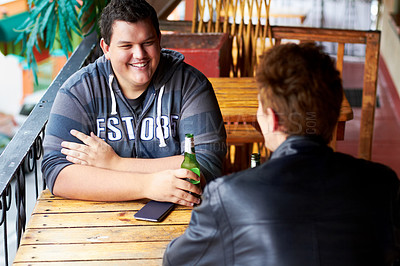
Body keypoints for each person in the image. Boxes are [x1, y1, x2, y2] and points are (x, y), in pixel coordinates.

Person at [163, 43, 400, 265]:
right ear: (331, 114)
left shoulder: (228, 195)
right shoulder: (384, 183)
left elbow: (175, 261)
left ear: (272, 119)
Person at [41, 0, 226, 206]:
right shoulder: (79, 91)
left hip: (180, 218)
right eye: (126, 46)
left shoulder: (190, 85)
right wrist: (147, 185)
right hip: (97, 222)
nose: (139, 55)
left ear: (159, 40)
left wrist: (114, 164)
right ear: (106, 48)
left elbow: (206, 165)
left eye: (147, 43)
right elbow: (57, 173)